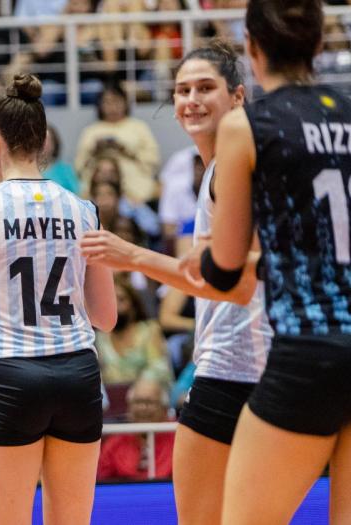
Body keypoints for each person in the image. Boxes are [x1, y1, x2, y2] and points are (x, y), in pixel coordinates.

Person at [79, 41, 273, 525]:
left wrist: (133, 256)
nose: (191, 99)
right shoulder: (219, 169)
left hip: (240, 369)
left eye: (206, 88)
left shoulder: (231, 167)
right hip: (248, 366)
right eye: (182, 89)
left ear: (238, 96)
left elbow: (233, 283)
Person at [179, 1, 351, 522]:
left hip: (307, 350)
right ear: (319, 45)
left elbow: (227, 269)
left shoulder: (247, 125)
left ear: (251, 49)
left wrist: (188, 263)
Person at [0, 74, 117, 525]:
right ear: (44, 141)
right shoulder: (84, 209)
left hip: (11, 374)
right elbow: (106, 317)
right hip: (77, 373)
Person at [96, 378, 175, 481]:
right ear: (128, 408)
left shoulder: (178, 440)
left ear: (165, 409)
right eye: (137, 402)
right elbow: (101, 484)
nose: (143, 408)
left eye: (149, 403)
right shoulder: (115, 443)